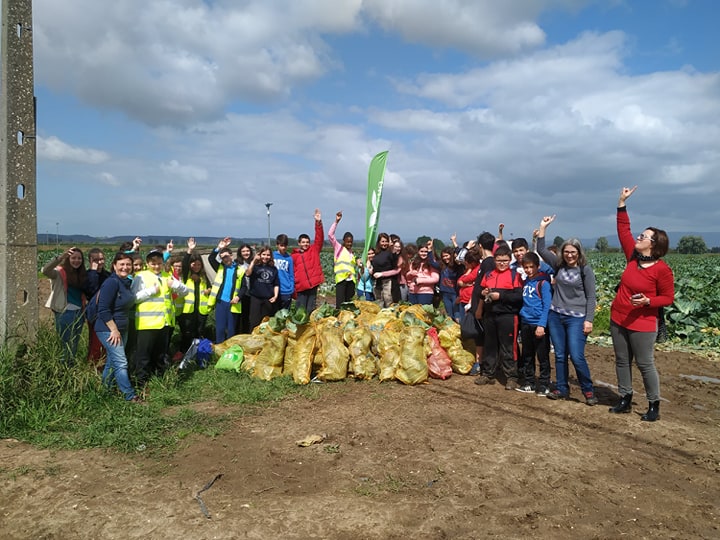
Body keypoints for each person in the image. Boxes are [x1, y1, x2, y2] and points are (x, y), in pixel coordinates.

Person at [609, 186, 675, 422]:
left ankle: (653, 404)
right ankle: (625, 398)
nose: (638, 237)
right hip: (618, 318)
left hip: (644, 323)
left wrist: (648, 301)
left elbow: (668, 298)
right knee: (621, 360)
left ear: (654, 245)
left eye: (644, 236)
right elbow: (623, 229)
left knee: (645, 364)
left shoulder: (662, 270)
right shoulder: (632, 257)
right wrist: (621, 202)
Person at [537, 215, 599, 405]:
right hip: (556, 316)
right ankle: (562, 388)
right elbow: (540, 249)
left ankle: (588, 390)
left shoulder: (585, 270)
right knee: (560, 355)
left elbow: (591, 297)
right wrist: (543, 227)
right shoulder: (558, 265)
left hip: (577, 319)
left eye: (573, 252)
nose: (569, 255)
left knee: (577, 356)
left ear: (579, 253)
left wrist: (589, 320)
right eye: (566, 251)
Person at [132, 248, 189, 389]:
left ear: (163, 263)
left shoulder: (167, 276)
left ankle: (159, 381)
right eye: (153, 263)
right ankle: (141, 384)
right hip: (146, 324)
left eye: (159, 263)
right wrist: (150, 291)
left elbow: (185, 291)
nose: (156, 266)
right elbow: (133, 298)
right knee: (144, 356)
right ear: (147, 263)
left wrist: (175, 285)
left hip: (164, 323)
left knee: (160, 355)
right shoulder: (140, 276)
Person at [95, 252, 143, 403]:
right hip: (108, 329)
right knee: (121, 362)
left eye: (128, 264)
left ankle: (105, 391)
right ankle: (130, 396)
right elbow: (102, 309)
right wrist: (113, 329)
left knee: (112, 361)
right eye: (121, 264)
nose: (125, 267)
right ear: (114, 265)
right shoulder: (112, 282)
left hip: (122, 328)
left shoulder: (125, 282)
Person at [473, 245, 523, 390]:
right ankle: (488, 374)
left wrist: (500, 296)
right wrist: (481, 301)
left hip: (507, 316)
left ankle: (511, 377)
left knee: (508, 347)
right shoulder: (488, 274)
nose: (502, 263)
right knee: (490, 345)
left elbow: (518, 297)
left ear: (509, 260)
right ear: (494, 260)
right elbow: (482, 292)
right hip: (490, 315)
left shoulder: (515, 275)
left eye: (505, 261)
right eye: (499, 260)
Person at [42, 247, 90, 364]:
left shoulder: (82, 274)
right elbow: (45, 270)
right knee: (64, 343)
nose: (76, 261)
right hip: (65, 312)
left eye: (79, 258)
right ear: (68, 259)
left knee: (74, 343)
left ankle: (70, 368)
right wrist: (60, 258)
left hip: (79, 313)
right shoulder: (59, 272)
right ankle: (61, 369)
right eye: (73, 258)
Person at [517, 252, 553, 395]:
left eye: (532, 267)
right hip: (525, 322)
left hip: (538, 324)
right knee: (527, 354)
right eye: (526, 267)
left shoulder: (543, 283)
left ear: (538, 266)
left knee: (542, 356)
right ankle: (529, 382)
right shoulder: (526, 282)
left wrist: (541, 325)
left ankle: (544, 384)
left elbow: (547, 305)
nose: (529, 270)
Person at [208, 237, 245, 343]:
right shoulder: (220, 267)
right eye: (222, 257)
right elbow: (211, 258)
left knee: (231, 330)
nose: (225, 259)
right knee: (219, 329)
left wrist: (238, 297)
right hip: (220, 302)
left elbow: (244, 287)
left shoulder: (240, 270)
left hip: (233, 304)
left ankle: (229, 351)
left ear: (231, 256)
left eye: (227, 256)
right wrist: (219, 248)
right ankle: (219, 349)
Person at [178, 238, 212, 353]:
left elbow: (209, 287)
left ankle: (197, 352)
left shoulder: (203, 276)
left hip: (201, 311)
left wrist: (209, 290)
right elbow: (184, 264)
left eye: (198, 264)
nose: (196, 266)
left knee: (199, 332)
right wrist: (190, 250)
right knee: (187, 333)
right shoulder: (187, 275)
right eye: (194, 264)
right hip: (189, 311)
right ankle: (184, 352)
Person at [292, 209, 325, 314]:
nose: (305, 244)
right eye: (303, 242)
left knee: (310, 311)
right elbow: (292, 272)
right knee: (300, 311)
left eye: (307, 242)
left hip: (312, 286)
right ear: (299, 243)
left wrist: (318, 222)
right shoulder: (294, 256)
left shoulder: (314, 250)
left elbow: (319, 238)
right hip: (301, 288)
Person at [86, 247, 110, 366]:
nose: (99, 262)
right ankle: (93, 366)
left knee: (105, 342)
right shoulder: (88, 275)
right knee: (95, 342)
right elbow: (92, 291)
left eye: (101, 259)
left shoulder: (107, 275)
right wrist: (93, 272)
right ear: (90, 261)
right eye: (96, 260)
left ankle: (102, 364)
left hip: (107, 313)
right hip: (94, 314)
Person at [246, 246, 279, 331]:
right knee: (254, 322)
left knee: (265, 323)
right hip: (256, 298)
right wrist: (253, 261)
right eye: (263, 254)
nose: (265, 257)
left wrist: (275, 296)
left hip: (268, 299)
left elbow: (276, 284)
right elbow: (248, 273)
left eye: (268, 255)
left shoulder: (273, 269)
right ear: (259, 255)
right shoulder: (255, 267)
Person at [328, 211, 357, 306]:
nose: (349, 243)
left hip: (350, 282)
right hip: (341, 280)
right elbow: (330, 235)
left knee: (349, 304)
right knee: (340, 304)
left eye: (351, 242)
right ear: (344, 241)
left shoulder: (352, 253)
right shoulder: (338, 248)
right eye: (347, 241)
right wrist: (336, 221)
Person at [430, 245, 463, 322]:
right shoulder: (442, 266)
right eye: (443, 256)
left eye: (447, 255)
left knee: (457, 313)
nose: (445, 258)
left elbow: (461, 256)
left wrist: (455, 245)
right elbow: (431, 262)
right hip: (445, 293)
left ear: (451, 255)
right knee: (449, 314)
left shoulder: (457, 266)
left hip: (455, 293)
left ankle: (460, 329)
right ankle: (452, 330)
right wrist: (429, 250)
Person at [370, 232, 399, 307]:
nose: (384, 243)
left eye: (386, 241)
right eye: (382, 241)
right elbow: (371, 262)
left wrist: (393, 249)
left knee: (388, 300)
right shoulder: (376, 253)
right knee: (378, 301)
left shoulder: (390, 252)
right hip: (377, 282)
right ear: (379, 242)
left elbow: (395, 264)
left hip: (387, 281)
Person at [236, 244, 254, 334]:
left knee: (249, 317)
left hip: (252, 293)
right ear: (240, 253)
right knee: (241, 317)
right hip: (240, 293)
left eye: (247, 251)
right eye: (243, 251)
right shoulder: (236, 263)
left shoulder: (254, 262)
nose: (246, 253)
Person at [273, 234, 295, 311]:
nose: (283, 248)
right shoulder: (272, 256)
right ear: (277, 245)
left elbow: (291, 274)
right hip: (274, 290)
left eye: (285, 246)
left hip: (286, 290)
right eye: (281, 245)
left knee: (285, 314)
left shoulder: (289, 258)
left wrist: (291, 288)